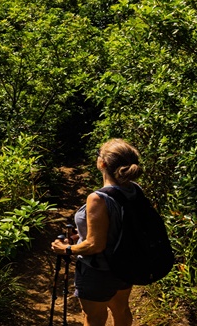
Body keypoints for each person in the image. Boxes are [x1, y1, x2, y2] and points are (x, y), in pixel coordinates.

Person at [51, 138, 143, 326]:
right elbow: (121, 225)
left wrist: (66, 249)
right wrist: (81, 234)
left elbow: (95, 245)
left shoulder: (98, 198)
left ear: (102, 163)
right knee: (121, 309)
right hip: (125, 266)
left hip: (98, 270)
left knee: (93, 319)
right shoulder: (135, 190)